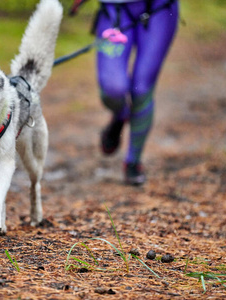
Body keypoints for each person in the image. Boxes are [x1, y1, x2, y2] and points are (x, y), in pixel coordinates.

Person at [71, 0, 179, 185]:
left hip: (160, 8)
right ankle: (121, 116)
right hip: (114, 8)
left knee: (142, 88)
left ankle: (133, 162)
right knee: (112, 88)